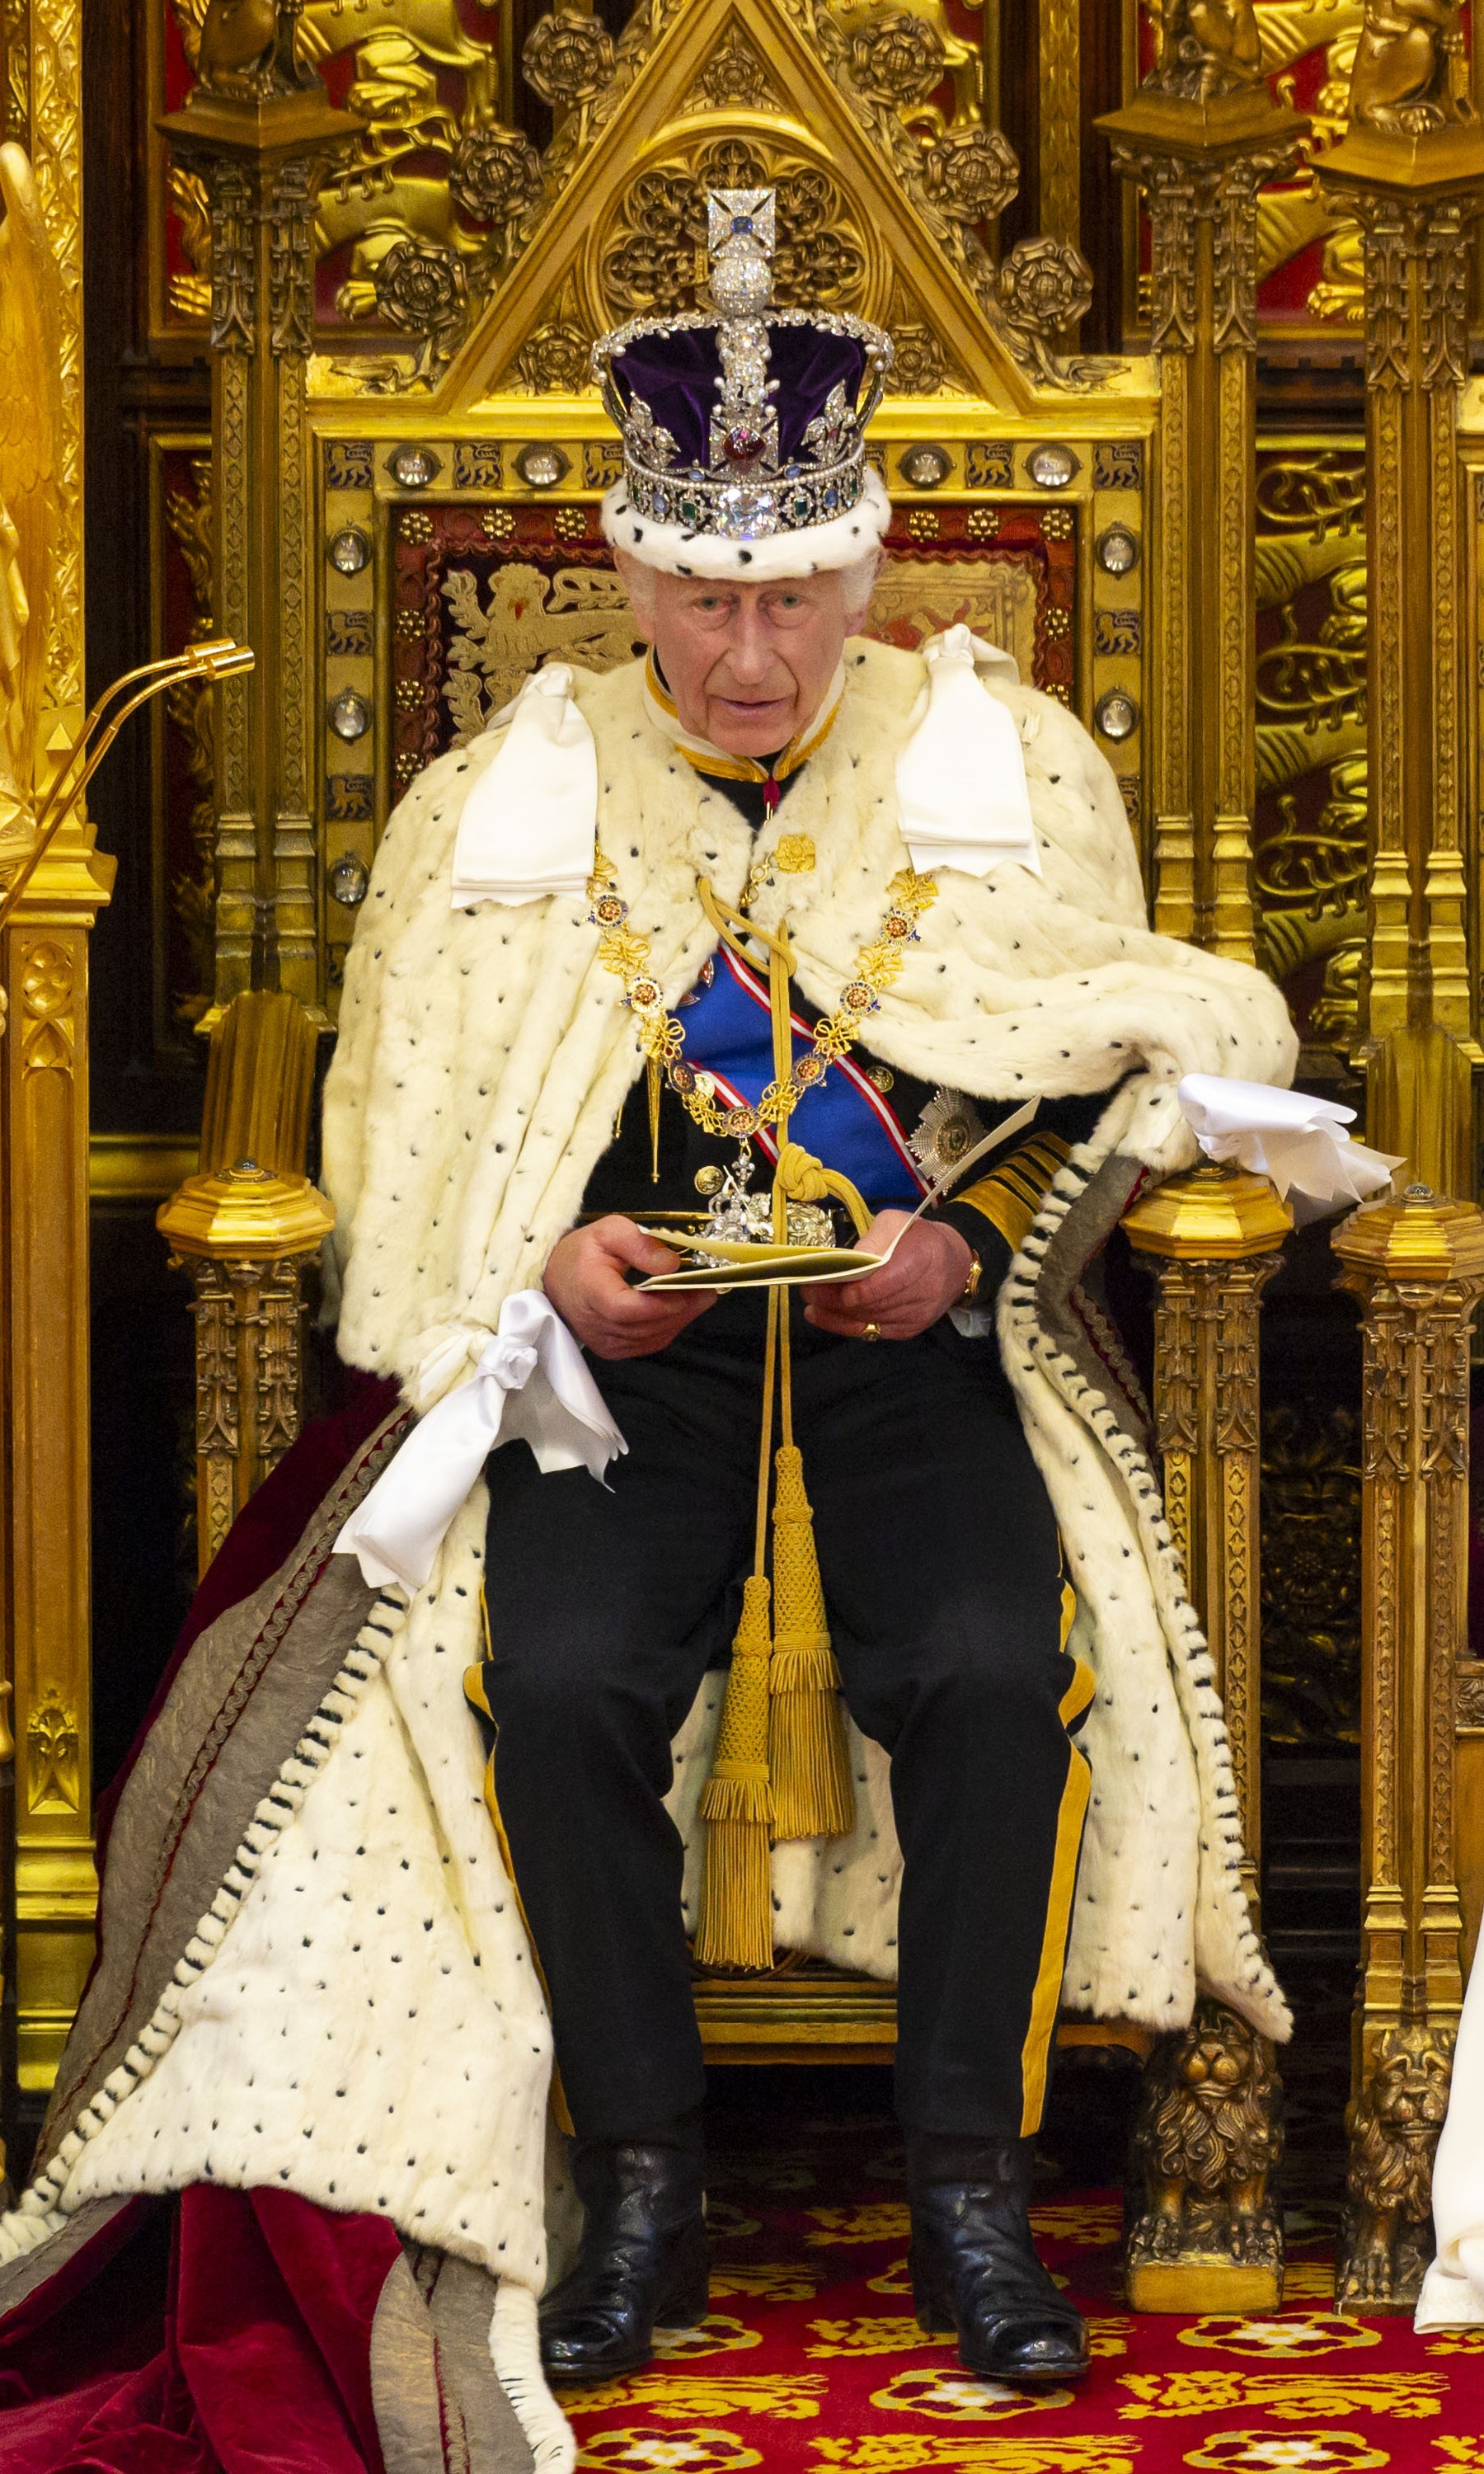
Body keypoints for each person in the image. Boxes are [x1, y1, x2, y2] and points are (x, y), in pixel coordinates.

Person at [0, 187, 1298, 2467]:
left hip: (920, 1343)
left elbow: (1106, 1065)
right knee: (569, 1673)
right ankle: (644, 2187)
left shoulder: (1003, 768)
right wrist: (538, 1285)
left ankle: (969, 2201)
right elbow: (418, 1136)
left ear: (869, 565)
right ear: (626, 571)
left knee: (997, 1664)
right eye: (706, 594)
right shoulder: (503, 796)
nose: (753, 655)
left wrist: (972, 1261)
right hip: (621, 1359)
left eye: (796, 592)